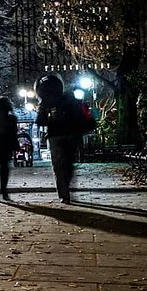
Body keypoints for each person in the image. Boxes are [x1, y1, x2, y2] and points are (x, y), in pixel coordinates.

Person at [34, 73, 85, 204]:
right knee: (68, 162)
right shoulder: (70, 98)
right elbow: (79, 116)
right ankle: (66, 183)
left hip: (55, 135)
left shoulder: (46, 101)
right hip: (71, 134)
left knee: (58, 165)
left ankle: (64, 193)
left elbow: (40, 121)